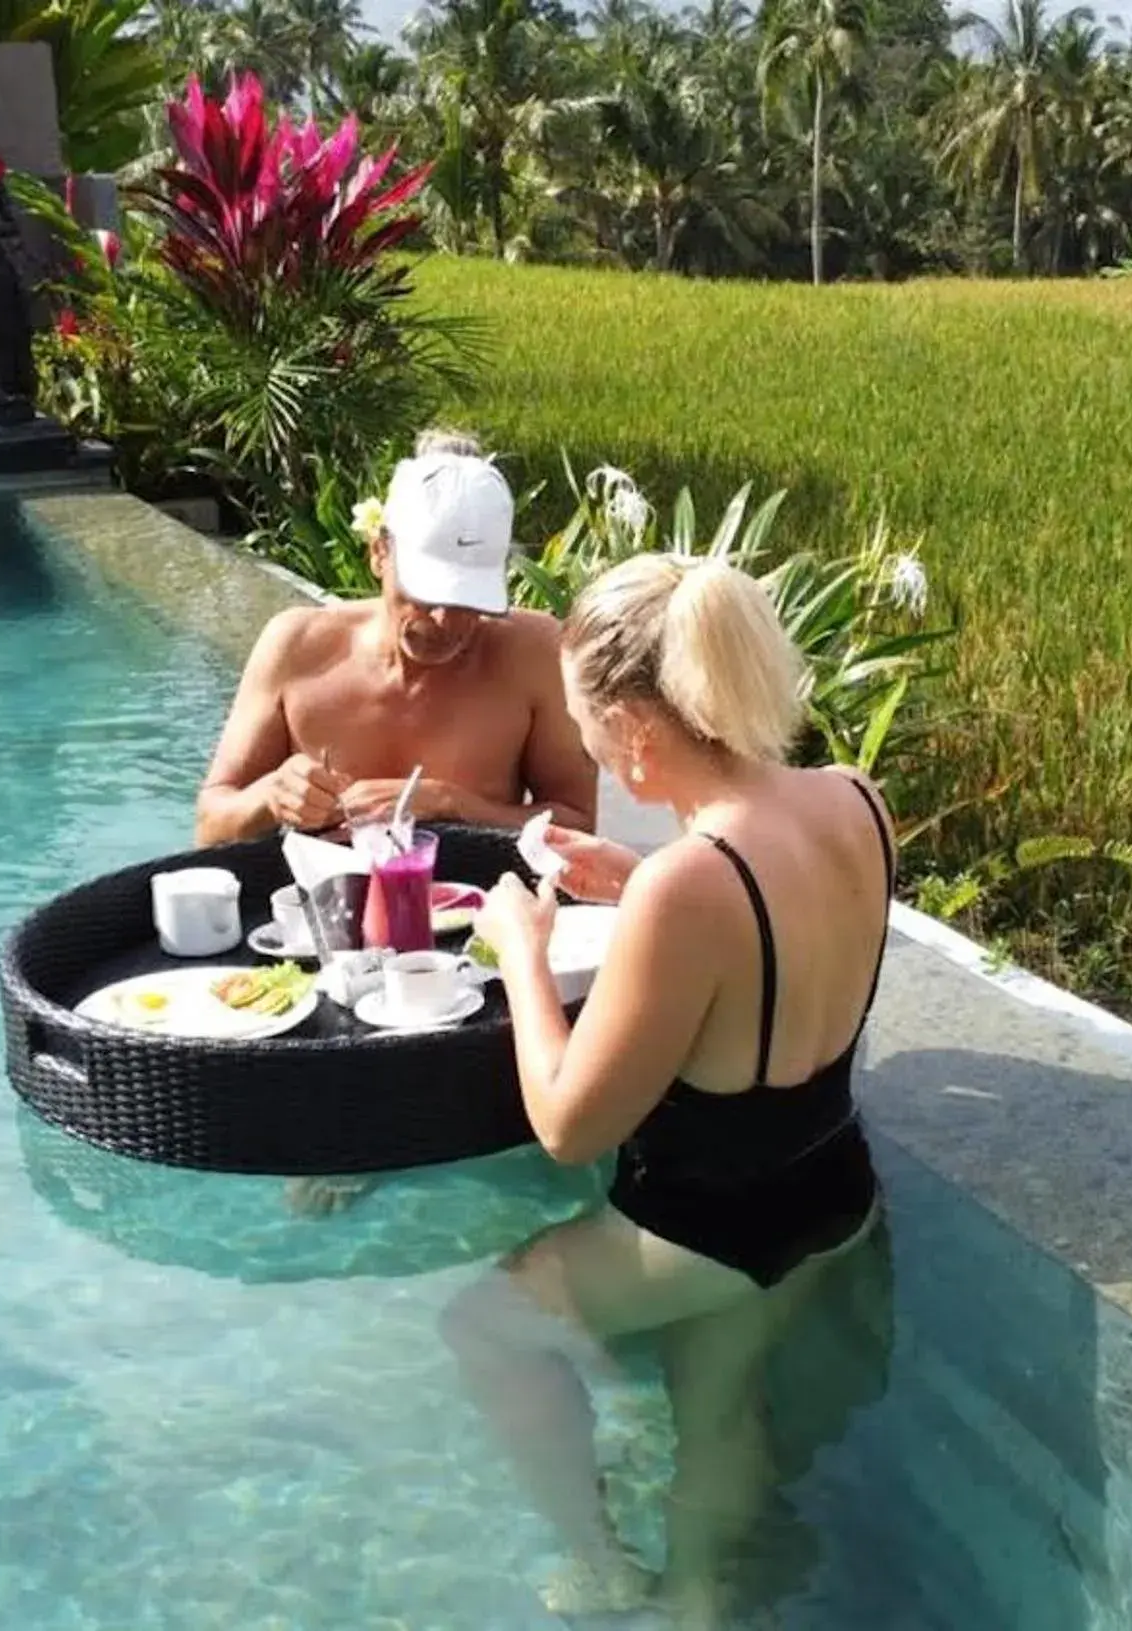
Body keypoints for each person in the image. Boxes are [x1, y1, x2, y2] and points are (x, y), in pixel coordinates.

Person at [446, 553, 896, 1624]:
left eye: (591, 728)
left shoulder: (692, 884)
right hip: (829, 1189)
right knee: (717, 1395)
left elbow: (565, 1123)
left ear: (638, 729)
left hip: (709, 1225)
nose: (593, 750)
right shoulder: (854, 801)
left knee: (487, 1325)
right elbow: (760, 930)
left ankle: (600, 1565)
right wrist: (639, 879)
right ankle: (696, 1600)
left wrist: (518, 945)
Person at [192, 432, 597, 847]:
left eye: (468, 598)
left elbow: (578, 828)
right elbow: (210, 828)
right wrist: (272, 795)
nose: (445, 620)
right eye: (427, 592)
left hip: (473, 900)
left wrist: (452, 805)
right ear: (379, 551)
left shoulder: (532, 655)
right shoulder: (297, 647)